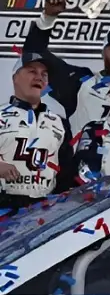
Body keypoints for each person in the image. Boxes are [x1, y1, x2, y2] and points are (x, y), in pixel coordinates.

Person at [23, 0, 110, 138]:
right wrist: (48, 18)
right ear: (103, 52)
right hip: (84, 160)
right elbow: (34, 53)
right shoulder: (80, 82)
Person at [0, 52, 71, 211]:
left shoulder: (59, 123)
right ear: (15, 78)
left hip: (43, 213)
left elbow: (67, 174)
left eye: (44, 74)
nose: (39, 77)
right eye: (32, 71)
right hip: (3, 208)